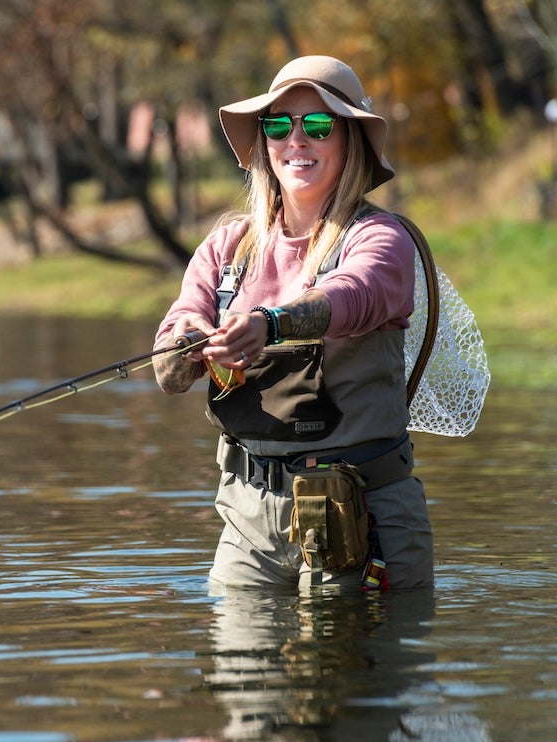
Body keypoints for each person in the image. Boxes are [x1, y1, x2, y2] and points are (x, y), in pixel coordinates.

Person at [153, 55, 433, 593]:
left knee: (350, 676)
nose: (296, 140)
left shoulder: (381, 238)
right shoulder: (227, 246)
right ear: (264, 143)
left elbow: (353, 296)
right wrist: (187, 345)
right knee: (236, 674)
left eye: (319, 125)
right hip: (246, 519)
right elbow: (169, 365)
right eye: (279, 125)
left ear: (350, 140)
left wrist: (268, 324)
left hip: (364, 521)